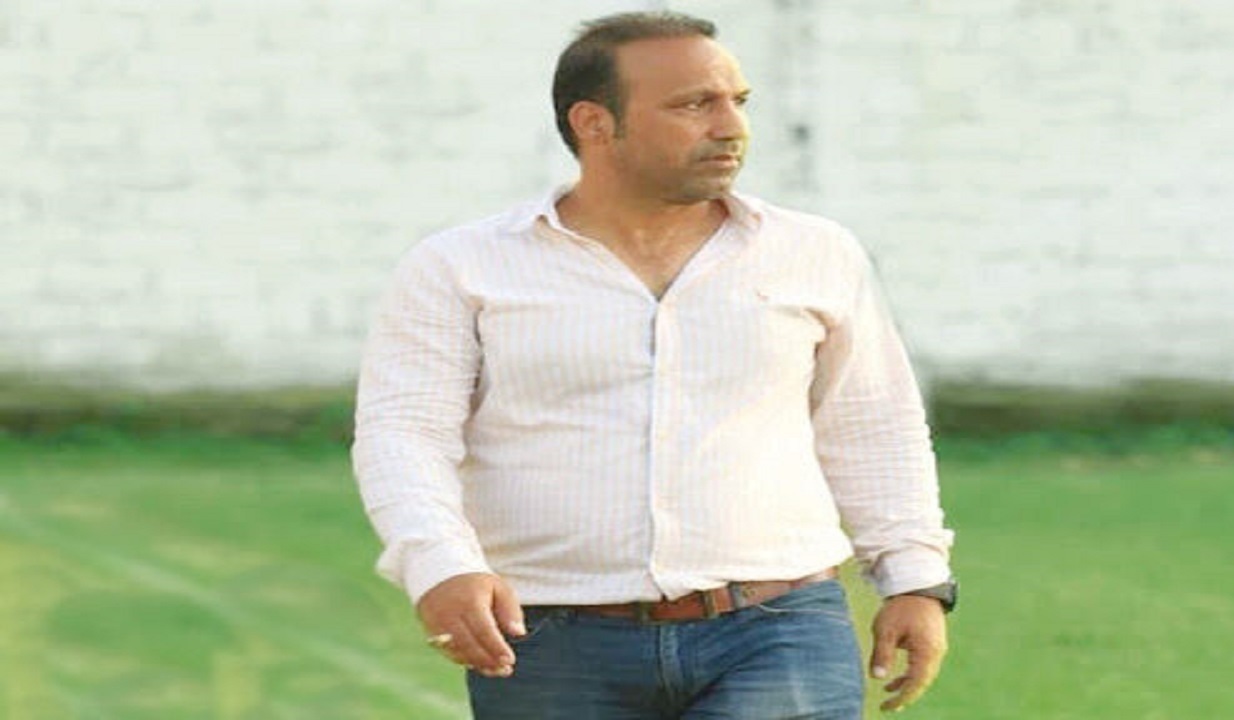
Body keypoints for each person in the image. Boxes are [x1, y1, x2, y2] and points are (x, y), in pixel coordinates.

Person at [353, 10, 955, 719]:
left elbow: (874, 424)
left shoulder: (816, 253)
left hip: (780, 627)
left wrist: (916, 580)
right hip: (549, 640)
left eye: (738, 100)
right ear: (594, 123)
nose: (731, 126)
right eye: (694, 105)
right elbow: (405, 435)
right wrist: (441, 566)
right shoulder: (460, 267)